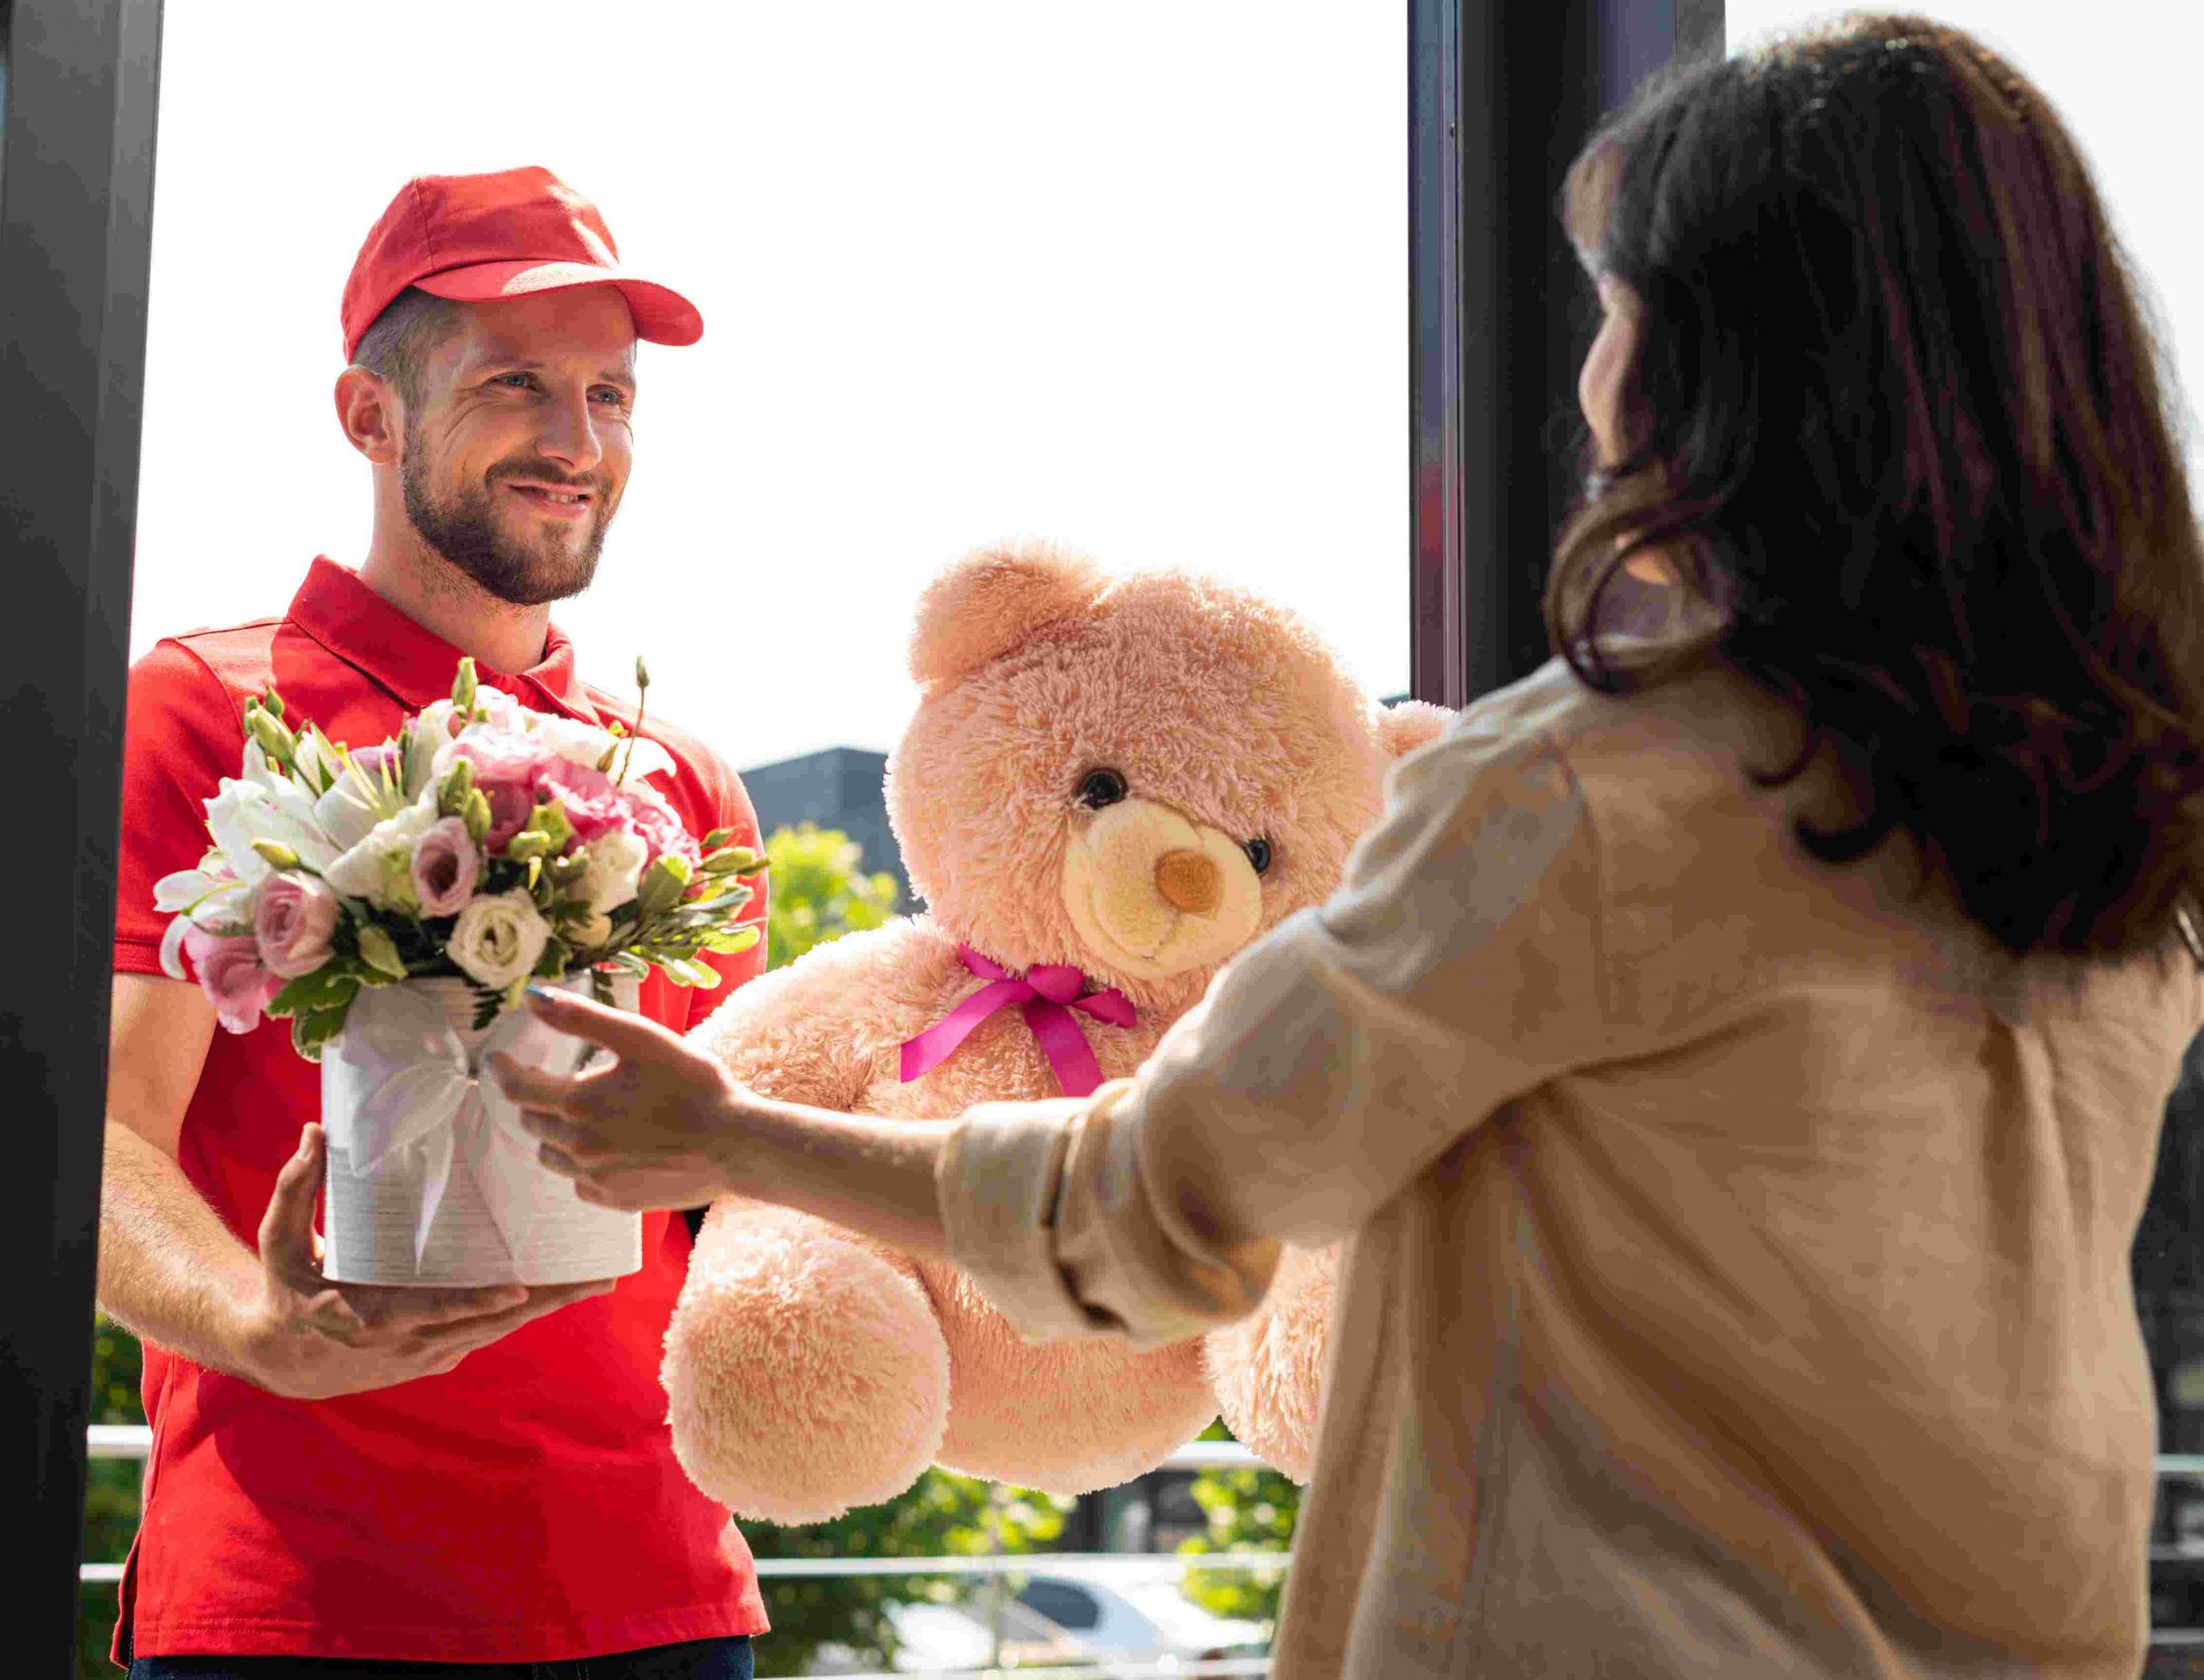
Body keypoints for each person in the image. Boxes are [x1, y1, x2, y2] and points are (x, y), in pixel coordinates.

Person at [489, 19, 2204, 1678]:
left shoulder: (1597, 792)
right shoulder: (2126, 829)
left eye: (1615, 310)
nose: (1591, 372)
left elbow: (1154, 1207)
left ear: (1716, 376)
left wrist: (726, 1135)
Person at [103, 166, 768, 1678]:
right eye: (515, 384)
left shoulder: (681, 781)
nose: (575, 440)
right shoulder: (209, 713)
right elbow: (92, 1137)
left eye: (611, 394)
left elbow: (741, 1178)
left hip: (663, 1603)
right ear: (369, 413)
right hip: (301, 1608)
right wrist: (259, 1326)